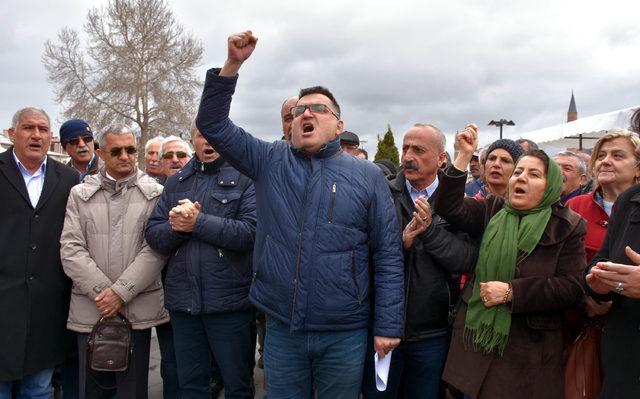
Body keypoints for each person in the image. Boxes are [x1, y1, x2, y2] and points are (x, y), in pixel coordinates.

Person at [195, 31, 404, 398]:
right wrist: (233, 65)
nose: (306, 113)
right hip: (282, 328)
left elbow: (387, 254)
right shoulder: (269, 160)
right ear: (290, 125)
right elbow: (212, 124)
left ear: (339, 126)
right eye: (298, 111)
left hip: (344, 331)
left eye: (318, 108)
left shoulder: (368, 177)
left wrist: (387, 324)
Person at [434, 126, 587, 398]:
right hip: (476, 345)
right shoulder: (493, 209)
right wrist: (462, 155)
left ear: (550, 184)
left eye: (533, 174)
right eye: (518, 172)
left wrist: (512, 292)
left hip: (526, 353)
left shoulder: (569, 226)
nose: (521, 178)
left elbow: (572, 287)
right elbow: (449, 206)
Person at [361, 124, 478, 398]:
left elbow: (468, 259)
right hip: (382, 329)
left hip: (432, 333)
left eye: (418, 150)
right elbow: (361, 256)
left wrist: (431, 233)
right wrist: (400, 244)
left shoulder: (459, 205)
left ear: (441, 159)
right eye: (405, 148)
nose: (408, 156)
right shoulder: (382, 196)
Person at [146, 124, 256, 398]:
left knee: (237, 385)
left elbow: (250, 234)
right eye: (200, 135)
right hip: (185, 305)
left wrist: (198, 223)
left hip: (231, 305)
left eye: (213, 134)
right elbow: (154, 235)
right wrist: (177, 228)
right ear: (191, 139)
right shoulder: (176, 181)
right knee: (191, 387)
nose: (207, 141)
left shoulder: (246, 178)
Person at [60, 125, 168, 398]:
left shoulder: (156, 194)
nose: (124, 156)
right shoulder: (79, 194)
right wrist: (104, 295)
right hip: (91, 311)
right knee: (92, 391)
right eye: (116, 150)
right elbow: (71, 248)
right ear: (101, 153)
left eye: (130, 150)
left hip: (136, 311)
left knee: (132, 392)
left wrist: (120, 293)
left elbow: (156, 250)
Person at [0, 107, 79, 398]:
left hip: (46, 309)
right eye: (28, 128)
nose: (36, 135)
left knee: (39, 390)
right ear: (12, 134)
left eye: (43, 129)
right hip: (3, 305)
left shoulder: (69, 179)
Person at [563, 129, 640, 398]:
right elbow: (594, 264)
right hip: (588, 328)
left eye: (618, 156)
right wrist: (592, 287)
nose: (606, 161)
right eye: (602, 155)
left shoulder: (627, 202)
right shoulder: (578, 205)